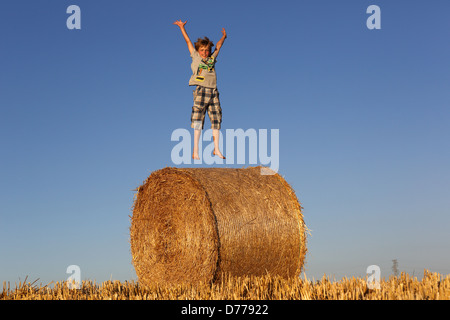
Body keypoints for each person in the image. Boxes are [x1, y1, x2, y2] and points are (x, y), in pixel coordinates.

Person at [173, 19, 227, 160]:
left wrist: (223, 37)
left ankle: (216, 149)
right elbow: (188, 42)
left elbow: (219, 47)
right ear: (198, 51)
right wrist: (181, 28)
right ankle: (195, 150)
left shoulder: (211, 59)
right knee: (198, 119)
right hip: (201, 90)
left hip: (214, 91)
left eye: (206, 50)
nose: (204, 52)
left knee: (216, 120)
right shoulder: (195, 57)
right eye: (202, 50)